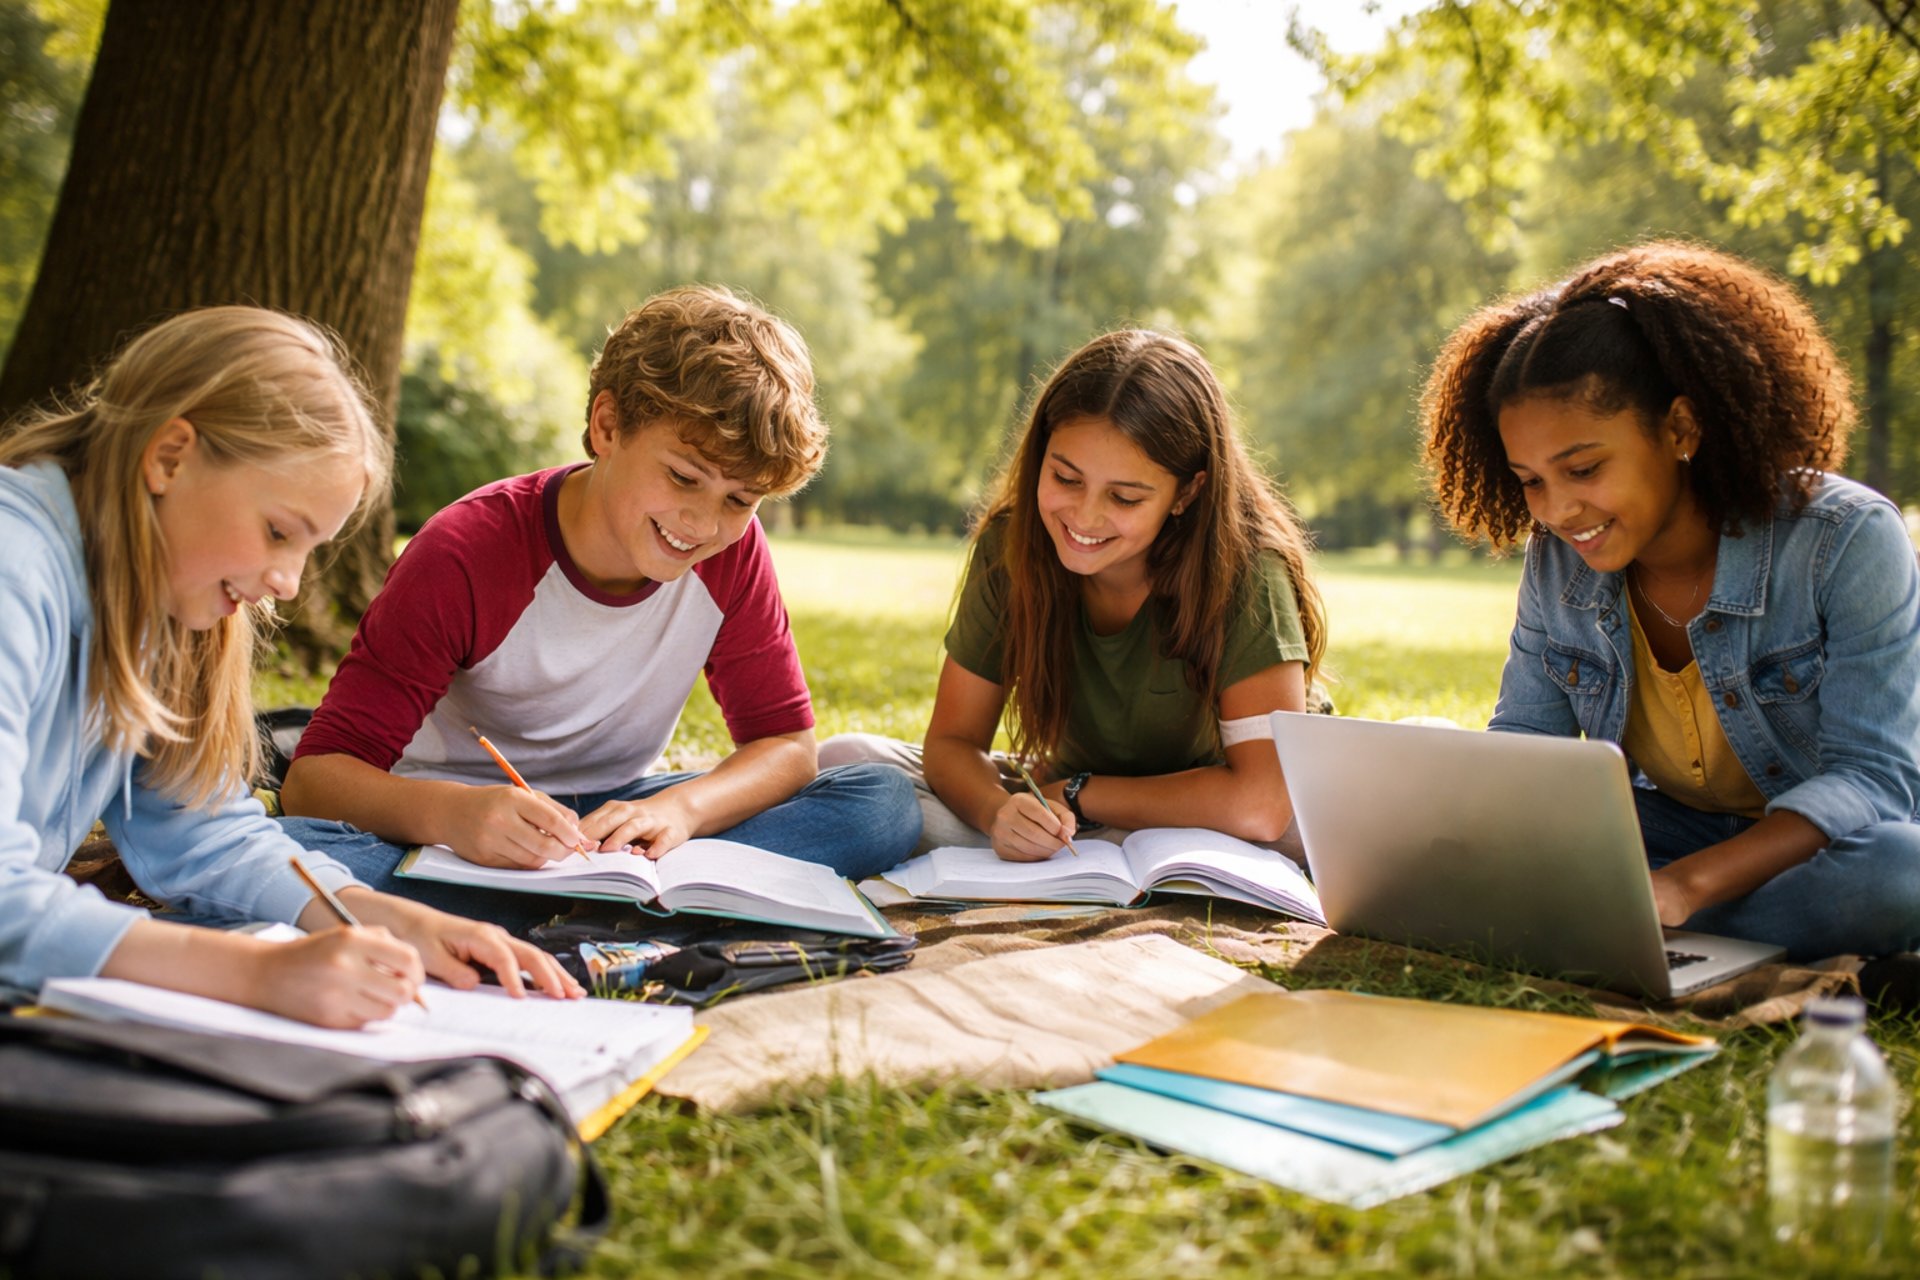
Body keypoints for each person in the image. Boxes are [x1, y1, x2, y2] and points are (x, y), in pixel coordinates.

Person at [0, 306, 579, 1028]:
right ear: (169, 458)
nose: (288, 584)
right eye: (278, 532)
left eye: (308, 549)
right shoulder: (15, 569)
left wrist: (379, 918)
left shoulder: (151, 599)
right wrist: (256, 974)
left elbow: (201, 831)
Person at [278, 286, 920, 928]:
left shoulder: (733, 553)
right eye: (684, 477)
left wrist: (681, 810)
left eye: (740, 500)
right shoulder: (466, 551)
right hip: (460, 825)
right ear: (607, 426)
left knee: (881, 803)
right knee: (292, 853)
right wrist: (453, 816)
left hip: (619, 818)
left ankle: (562, 908)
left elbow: (785, 745)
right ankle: (640, 908)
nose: (702, 524)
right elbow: (315, 781)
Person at [1421, 240, 1920, 964]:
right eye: (1530, 480)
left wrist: (1685, 887)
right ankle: (1692, 932)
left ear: (1681, 429)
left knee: (1902, 874)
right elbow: (1528, 743)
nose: (1557, 510)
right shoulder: (1557, 557)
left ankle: (1617, 923)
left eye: (1583, 468)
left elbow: (1873, 780)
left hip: (1825, 847)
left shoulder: (1844, 538)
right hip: (1670, 832)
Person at [823, 329, 1327, 862]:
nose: (1085, 518)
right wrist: (1001, 814)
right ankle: (1087, 845)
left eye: (1124, 498)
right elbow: (952, 743)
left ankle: (1099, 843)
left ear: (1187, 492)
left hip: (1218, 813)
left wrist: (1079, 793)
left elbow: (1261, 802)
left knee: (1302, 830)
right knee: (845, 757)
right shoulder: (1011, 546)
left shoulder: (1247, 571)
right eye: (1066, 478)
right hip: (1075, 811)